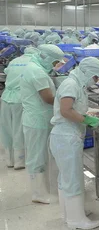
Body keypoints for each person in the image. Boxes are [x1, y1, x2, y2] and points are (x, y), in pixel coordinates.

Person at [49, 57, 99, 229]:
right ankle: (76, 220)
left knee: (66, 177)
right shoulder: (71, 84)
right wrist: (86, 119)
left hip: (66, 135)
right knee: (72, 178)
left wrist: (86, 115)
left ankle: (71, 212)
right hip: (65, 136)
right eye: (95, 77)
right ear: (88, 72)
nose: (95, 80)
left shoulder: (76, 83)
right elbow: (65, 110)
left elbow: (73, 107)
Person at [20, 44, 65, 203]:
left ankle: (42, 190)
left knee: (40, 155)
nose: (54, 66)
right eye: (54, 63)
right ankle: (38, 194)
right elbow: (47, 98)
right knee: (37, 156)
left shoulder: (33, 66)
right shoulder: (37, 72)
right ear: (46, 58)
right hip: (37, 120)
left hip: (38, 118)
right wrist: (66, 103)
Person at [0, 47, 39, 169]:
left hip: (6, 97)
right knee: (19, 129)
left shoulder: (14, 61)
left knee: (6, 129)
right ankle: (19, 161)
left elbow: (7, 72)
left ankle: (9, 160)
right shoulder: (34, 63)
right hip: (20, 98)